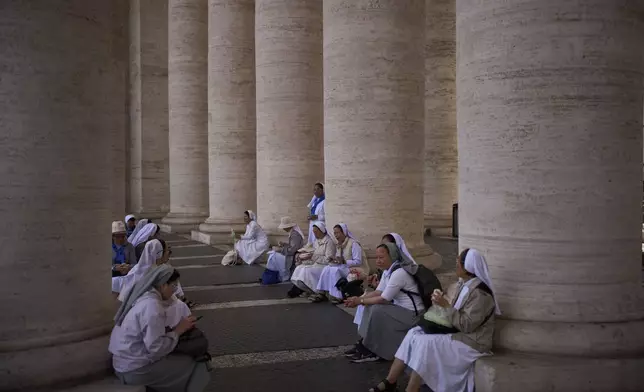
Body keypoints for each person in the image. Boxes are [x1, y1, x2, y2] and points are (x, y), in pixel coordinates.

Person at [369, 248, 500, 392]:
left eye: (459, 262)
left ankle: (412, 389)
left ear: (468, 267)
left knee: (426, 343)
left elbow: (467, 325)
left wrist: (446, 306)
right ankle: (390, 381)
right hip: (458, 332)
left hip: (473, 342)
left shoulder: (480, 294)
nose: (456, 264)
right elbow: (453, 310)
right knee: (414, 333)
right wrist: (440, 301)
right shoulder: (464, 285)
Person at [109, 264, 211, 392]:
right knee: (196, 363)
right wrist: (179, 330)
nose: (175, 290)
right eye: (173, 286)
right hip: (135, 369)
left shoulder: (145, 297)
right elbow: (156, 348)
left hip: (124, 363)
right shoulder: (152, 306)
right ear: (163, 285)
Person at [343, 242, 424, 363]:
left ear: (392, 256)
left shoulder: (399, 273)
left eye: (381, 257)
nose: (378, 261)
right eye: (377, 258)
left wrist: (360, 301)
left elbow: (383, 299)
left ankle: (372, 351)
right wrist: (359, 299)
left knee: (377, 309)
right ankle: (364, 342)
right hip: (401, 310)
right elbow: (378, 292)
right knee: (370, 306)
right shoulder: (389, 271)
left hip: (413, 315)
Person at [312, 223, 368, 304]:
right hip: (344, 267)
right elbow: (339, 259)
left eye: (338, 233)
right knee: (327, 268)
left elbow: (358, 261)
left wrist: (344, 261)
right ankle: (322, 292)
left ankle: (338, 296)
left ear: (344, 232)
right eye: (335, 233)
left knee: (335, 271)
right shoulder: (339, 244)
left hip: (354, 268)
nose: (336, 235)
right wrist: (334, 259)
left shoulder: (353, 243)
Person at [290, 222, 336, 297]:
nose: (315, 234)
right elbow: (313, 253)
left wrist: (312, 257)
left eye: (316, 232)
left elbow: (328, 259)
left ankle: (318, 291)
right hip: (316, 263)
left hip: (324, 266)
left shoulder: (329, 242)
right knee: (299, 268)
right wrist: (304, 258)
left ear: (322, 231)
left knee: (306, 271)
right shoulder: (316, 241)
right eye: (313, 232)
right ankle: (308, 290)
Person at [265, 216, 305, 282]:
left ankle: (281, 275)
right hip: (292, 254)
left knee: (273, 256)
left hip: (293, 256)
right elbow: (292, 246)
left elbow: (292, 250)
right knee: (273, 255)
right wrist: (284, 244)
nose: (283, 228)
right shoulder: (293, 233)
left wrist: (279, 250)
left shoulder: (295, 234)